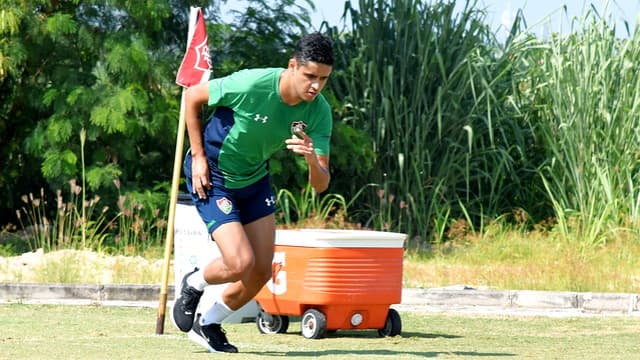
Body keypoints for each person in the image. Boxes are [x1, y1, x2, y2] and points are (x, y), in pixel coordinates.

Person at [172, 32, 334, 353]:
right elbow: (192, 97)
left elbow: (320, 184)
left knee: (261, 270)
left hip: (254, 178)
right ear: (292, 66)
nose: (315, 86)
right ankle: (194, 283)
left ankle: (209, 323)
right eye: (310, 76)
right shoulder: (252, 84)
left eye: (323, 79)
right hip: (213, 173)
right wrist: (199, 156)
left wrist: (312, 158)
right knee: (239, 262)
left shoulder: (319, 111)